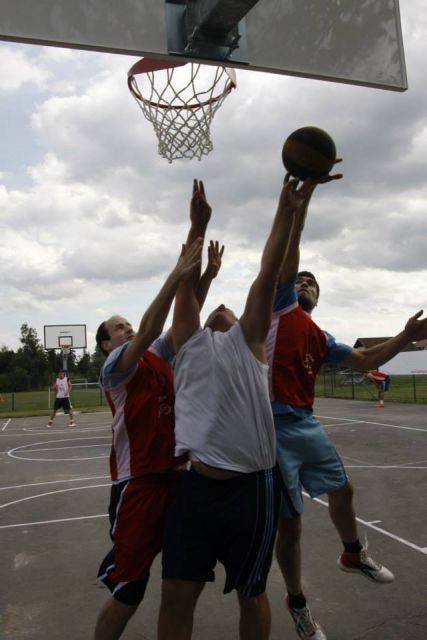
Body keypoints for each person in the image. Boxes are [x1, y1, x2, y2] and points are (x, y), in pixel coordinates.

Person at [157, 176, 318, 640]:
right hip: (196, 488)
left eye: (229, 304)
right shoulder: (187, 343)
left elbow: (269, 269)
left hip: (251, 491)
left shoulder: (250, 340)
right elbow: (185, 282)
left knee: (252, 592)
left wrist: (286, 211)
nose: (222, 306)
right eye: (216, 305)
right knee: (175, 592)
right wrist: (196, 225)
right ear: (206, 320)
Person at [268, 172, 427, 640]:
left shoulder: (319, 336)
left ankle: (352, 551)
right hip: (270, 426)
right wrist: (302, 203)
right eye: (300, 279)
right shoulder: (280, 307)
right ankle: (297, 601)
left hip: (303, 422)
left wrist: (405, 337)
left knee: (344, 489)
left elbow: (364, 359)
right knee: (291, 524)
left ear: (320, 296)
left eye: (312, 283)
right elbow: (288, 257)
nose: (305, 282)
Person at [93, 182, 223, 640]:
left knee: (182, 578)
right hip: (139, 485)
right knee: (130, 589)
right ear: (107, 344)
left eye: (127, 323)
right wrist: (174, 274)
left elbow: (184, 318)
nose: (127, 328)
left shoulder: (156, 356)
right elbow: (152, 326)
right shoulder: (118, 368)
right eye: (117, 327)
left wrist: (200, 253)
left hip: (176, 476)